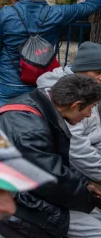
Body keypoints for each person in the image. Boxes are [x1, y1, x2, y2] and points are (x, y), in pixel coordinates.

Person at [0, 75, 101, 238]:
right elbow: (52, 182)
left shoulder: (38, 105)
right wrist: (89, 196)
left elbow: (51, 166)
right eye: (89, 108)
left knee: (95, 215)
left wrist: (85, 184)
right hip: (16, 203)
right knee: (98, 235)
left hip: (23, 192)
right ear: (76, 105)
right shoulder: (29, 129)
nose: (89, 115)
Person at [37, 42, 101, 184]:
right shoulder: (68, 95)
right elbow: (77, 150)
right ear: (82, 69)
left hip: (89, 157)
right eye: (98, 72)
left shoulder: (88, 86)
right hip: (76, 167)